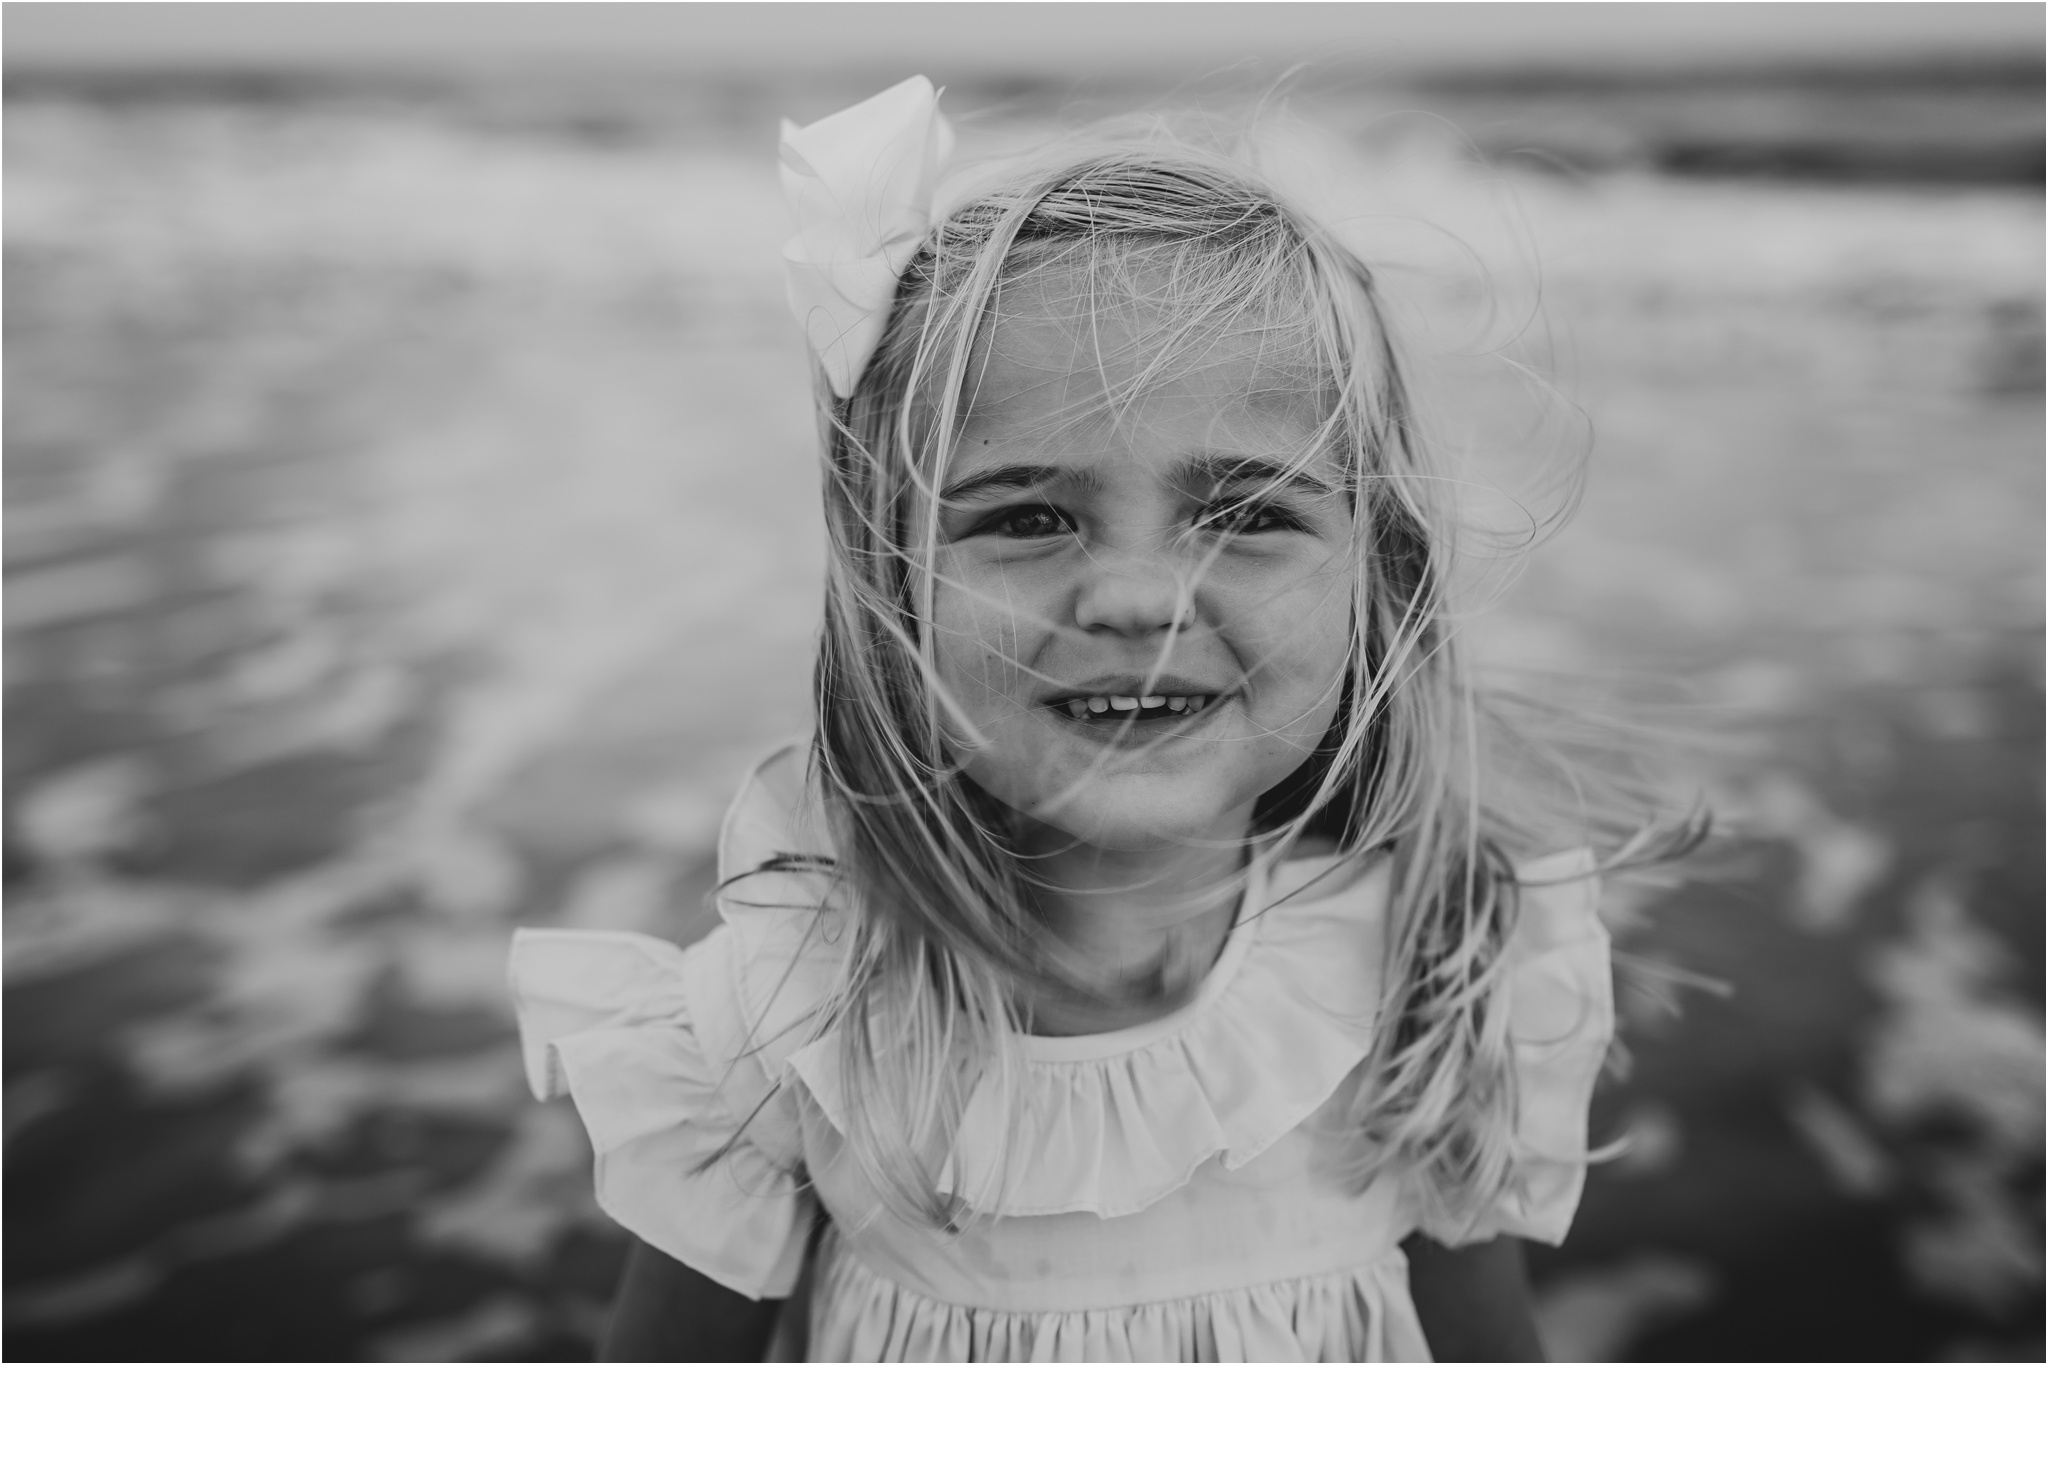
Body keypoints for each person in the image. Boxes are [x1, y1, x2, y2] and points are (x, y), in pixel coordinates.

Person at [508, 77, 1701, 1362]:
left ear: (1379, 582)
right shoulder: (789, 1027)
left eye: (1247, 514)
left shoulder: (1439, 977)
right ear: (885, 584)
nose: (1134, 593)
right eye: (1025, 515)